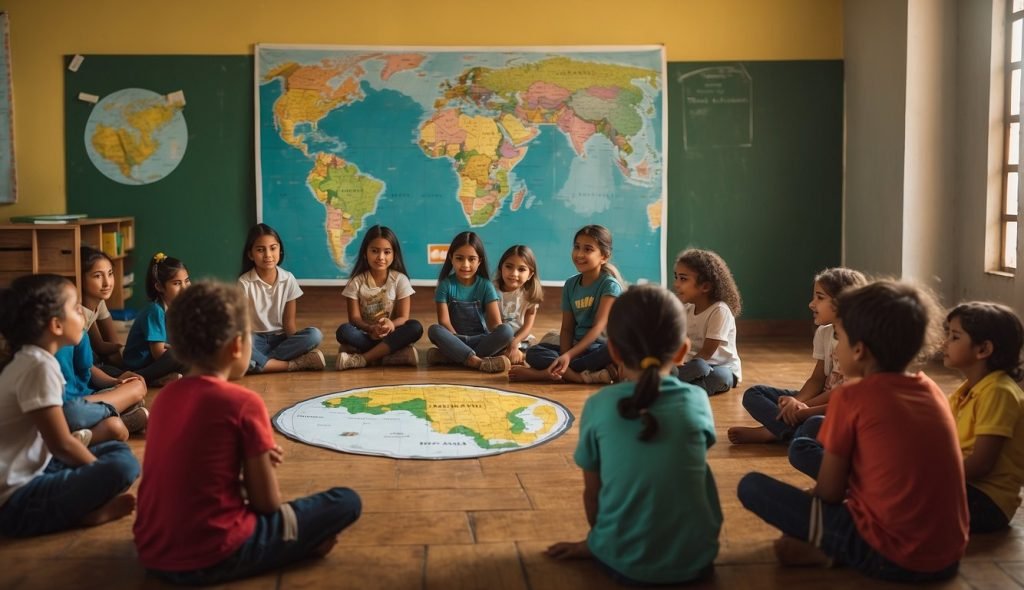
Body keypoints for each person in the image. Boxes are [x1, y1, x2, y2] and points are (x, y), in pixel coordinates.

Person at [737, 280, 968, 582]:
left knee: (751, 486)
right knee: (817, 426)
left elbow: (831, 492)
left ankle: (839, 550)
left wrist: (814, 505)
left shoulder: (852, 397)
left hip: (896, 556)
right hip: (949, 553)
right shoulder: (931, 390)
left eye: (839, 338)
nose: (837, 345)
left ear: (859, 350)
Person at [133, 281, 361, 585]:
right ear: (238, 346)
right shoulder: (243, 403)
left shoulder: (164, 399)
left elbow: (193, 473)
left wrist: (245, 460)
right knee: (346, 501)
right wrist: (260, 464)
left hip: (152, 552)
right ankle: (296, 547)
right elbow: (266, 504)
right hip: (215, 554)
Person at [545, 285, 721, 585]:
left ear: (613, 350)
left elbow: (593, 493)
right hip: (697, 561)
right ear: (681, 352)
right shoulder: (697, 401)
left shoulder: (599, 405)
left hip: (622, 562)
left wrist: (595, 542)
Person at [0, 274, 139, 537]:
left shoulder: (34, 360)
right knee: (121, 467)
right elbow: (61, 444)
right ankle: (79, 514)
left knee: (117, 452)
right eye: (76, 309)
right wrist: (98, 474)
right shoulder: (38, 366)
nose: (82, 316)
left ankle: (82, 507)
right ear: (56, 325)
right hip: (14, 500)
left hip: (35, 470)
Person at [729, 267, 867, 444]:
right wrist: (796, 402)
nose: (811, 304)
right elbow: (817, 379)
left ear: (842, 303)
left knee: (816, 424)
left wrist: (805, 408)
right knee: (753, 394)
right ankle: (788, 432)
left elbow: (842, 396)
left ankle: (772, 432)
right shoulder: (824, 333)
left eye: (820, 297)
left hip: (837, 408)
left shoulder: (855, 340)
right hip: (818, 399)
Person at [943, 301, 1024, 533]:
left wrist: (933, 476)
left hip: (987, 501)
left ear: (983, 350)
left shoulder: (999, 392)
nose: (945, 343)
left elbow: (981, 464)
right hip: (964, 486)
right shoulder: (966, 391)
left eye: (954, 337)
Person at [509, 225, 622, 384]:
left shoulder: (610, 286)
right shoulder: (570, 285)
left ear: (604, 256)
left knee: (615, 348)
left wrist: (567, 357)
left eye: (588, 249)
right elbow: (567, 328)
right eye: (577, 247)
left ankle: (542, 374)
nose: (579, 254)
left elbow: (597, 329)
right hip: (576, 348)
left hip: (598, 348)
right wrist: (565, 354)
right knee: (534, 352)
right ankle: (584, 375)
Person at [238, 224, 325, 373]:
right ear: (250, 254)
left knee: (314, 335)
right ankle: (291, 365)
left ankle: (259, 364)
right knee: (239, 343)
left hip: (281, 339)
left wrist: (296, 344)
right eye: (260, 250)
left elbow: (289, 323)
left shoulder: (288, 279)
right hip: (255, 340)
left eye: (273, 248)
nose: (268, 255)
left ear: (280, 250)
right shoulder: (244, 283)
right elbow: (244, 327)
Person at [335, 225, 423, 370]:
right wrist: (370, 328)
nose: (381, 257)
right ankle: (391, 355)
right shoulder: (356, 282)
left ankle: (363, 358)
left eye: (387, 252)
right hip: (367, 335)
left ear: (394, 254)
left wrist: (391, 325)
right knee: (344, 331)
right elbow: (354, 319)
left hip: (391, 334)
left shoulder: (400, 280)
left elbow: (403, 317)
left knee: (415, 327)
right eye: (374, 251)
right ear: (365, 253)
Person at [425, 231, 514, 373]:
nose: (465, 265)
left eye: (471, 259)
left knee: (507, 330)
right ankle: (477, 362)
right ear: (451, 258)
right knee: (434, 330)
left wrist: (501, 338)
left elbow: (496, 323)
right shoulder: (445, 285)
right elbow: (444, 322)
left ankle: (452, 357)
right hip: (454, 338)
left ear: (479, 261)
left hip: (480, 339)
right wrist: (456, 341)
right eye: (459, 258)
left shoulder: (486, 286)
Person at [672, 248, 742, 395]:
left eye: (683, 279)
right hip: (695, 363)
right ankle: (681, 385)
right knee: (692, 367)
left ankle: (672, 386)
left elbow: (706, 353)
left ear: (705, 286)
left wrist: (684, 366)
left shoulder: (719, 311)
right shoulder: (687, 309)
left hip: (721, 368)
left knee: (709, 371)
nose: (676, 284)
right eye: (676, 277)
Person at [122, 252, 189, 385]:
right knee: (179, 357)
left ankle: (161, 379)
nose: (184, 288)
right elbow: (158, 353)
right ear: (159, 286)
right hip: (140, 364)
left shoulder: (175, 308)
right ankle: (138, 377)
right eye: (176, 283)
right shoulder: (155, 311)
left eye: (186, 281)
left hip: (156, 362)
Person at [493, 244, 542, 366]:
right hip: (497, 336)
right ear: (501, 268)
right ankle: (506, 356)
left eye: (521, 269)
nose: (514, 273)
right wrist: (508, 343)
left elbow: (527, 326)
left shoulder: (529, 294)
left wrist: (515, 343)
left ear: (530, 274)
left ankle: (515, 356)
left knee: (538, 350)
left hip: (520, 338)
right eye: (509, 267)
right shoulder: (492, 289)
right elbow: (493, 324)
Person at [79, 247, 124, 365]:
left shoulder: (98, 302)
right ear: (80, 278)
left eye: (110, 274)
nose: (107, 283)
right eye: (97, 276)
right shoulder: (78, 313)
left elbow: (101, 344)